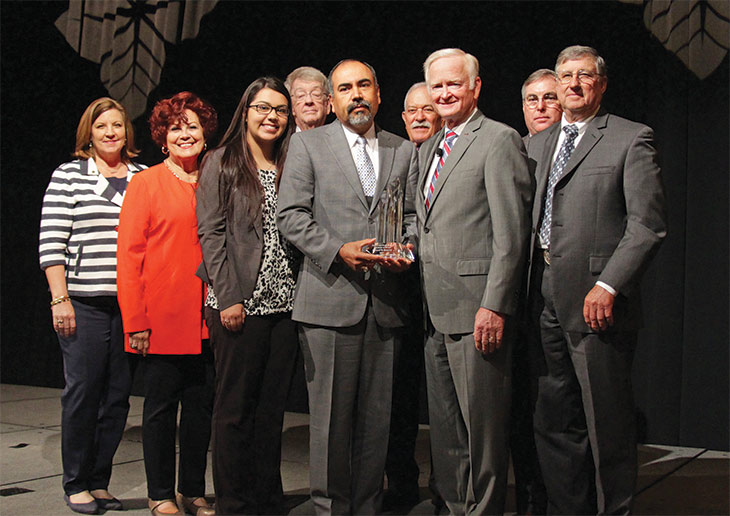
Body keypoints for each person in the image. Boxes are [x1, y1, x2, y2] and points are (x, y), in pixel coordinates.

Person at [526, 45, 667, 515]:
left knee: (607, 425)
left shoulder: (630, 138)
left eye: (584, 75)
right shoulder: (537, 143)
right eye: (565, 75)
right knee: (554, 420)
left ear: (601, 84)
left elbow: (646, 225)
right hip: (541, 297)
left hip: (596, 301)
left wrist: (608, 285)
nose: (573, 84)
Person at [277, 59, 418, 515]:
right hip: (329, 300)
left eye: (363, 86)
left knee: (377, 425)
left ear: (378, 94)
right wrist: (338, 249)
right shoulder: (309, 146)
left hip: (386, 304)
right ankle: (328, 509)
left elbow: (414, 218)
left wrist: (407, 250)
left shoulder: (402, 149)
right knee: (331, 425)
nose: (356, 95)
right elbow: (291, 215)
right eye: (345, 88)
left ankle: (367, 507)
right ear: (332, 99)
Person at [417, 48, 533, 515]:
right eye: (437, 86)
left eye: (453, 84)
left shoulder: (498, 140)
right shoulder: (428, 147)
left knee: (482, 433)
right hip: (433, 309)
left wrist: (496, 305)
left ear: (475, 87)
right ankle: (454, 507)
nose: (444, 93)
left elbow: (512, 235)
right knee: (446, 433)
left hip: (478, 310)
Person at [195, 77, 297, 515]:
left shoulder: (296, 161)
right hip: (239, 303)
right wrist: (229, 296)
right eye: (262, 107)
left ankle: (266, 499)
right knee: (234, 409)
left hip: (288, 305)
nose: (271, 116)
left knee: (271, 410)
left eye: (279, 109)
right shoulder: (222, 161)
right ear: (246, 110)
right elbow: (211, 233)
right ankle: (233, 504)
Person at [39, 97, 145, 515]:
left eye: (117, 125)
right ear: (89, 132)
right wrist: (60, 298)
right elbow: (51, 243)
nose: (110, 132)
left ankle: (100, 481)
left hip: (130, 307)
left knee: (118, 398)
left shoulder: (142, 177)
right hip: (82, 303)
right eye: (102, 126)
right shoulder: (69, 176)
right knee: (83, 394)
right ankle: (76, 481)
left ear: (127, 131)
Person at [116, 92, 218, 516]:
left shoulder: (216, 176)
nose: (185, 134)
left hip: (209, 319)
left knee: (199, 412)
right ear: (163, 138)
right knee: (159, 413)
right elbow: (128, 257)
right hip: (160, 320)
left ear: (205, 133)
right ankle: (160, 495)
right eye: (176, 127)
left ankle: (193, 491)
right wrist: (135, 321)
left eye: (192, 126)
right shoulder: (145, 183)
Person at [382, 80, 444, 511]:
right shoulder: (393, 158)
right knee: (398, 400)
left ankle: (449, 490)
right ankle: (401, 484)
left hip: (447, 295)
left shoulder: (454, 155)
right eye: (411, 111)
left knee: (446, 404)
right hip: (401, 297)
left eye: (428, 109)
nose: (420, 116)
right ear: (402, 117)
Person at [285, 66, 330, 131]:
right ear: (292, 107)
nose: (309, 101)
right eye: (301, 95)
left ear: (327, 105)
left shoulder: (341, 139)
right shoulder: (281, 140)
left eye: (316, 94)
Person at [522, 69, 563, 139]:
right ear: (524, 107)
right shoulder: (514, 148)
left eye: (549, 98)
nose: (540, 106)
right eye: (532, 99)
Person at [402, 81, 443, 146]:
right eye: (412, 110)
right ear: (405, 118)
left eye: (427, 110)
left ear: (442, 119)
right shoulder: (395, 154)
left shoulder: (453, 153)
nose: (419, 118)